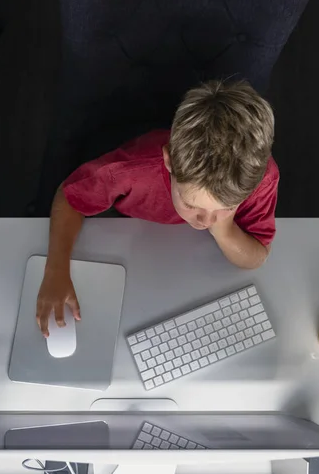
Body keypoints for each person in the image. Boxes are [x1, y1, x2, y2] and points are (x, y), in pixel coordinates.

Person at [36, 80, 279, 336]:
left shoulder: (261, 179)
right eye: (191, 204)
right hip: (126, 231)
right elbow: (69, 196)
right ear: (169, 161)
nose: (205, 221)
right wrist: (56, 270)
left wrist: (224, 229)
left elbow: (256, 256)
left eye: (227, 207)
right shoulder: (130, 171)